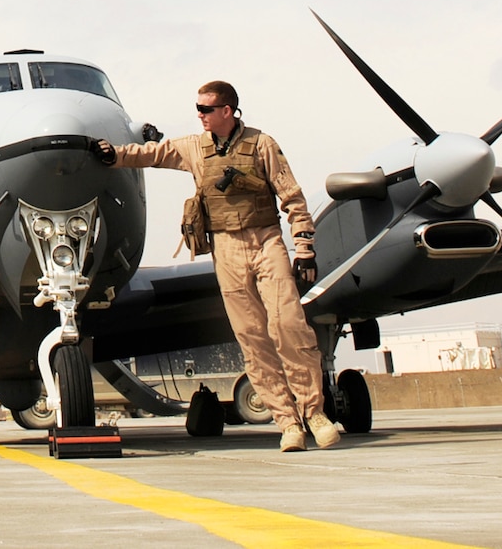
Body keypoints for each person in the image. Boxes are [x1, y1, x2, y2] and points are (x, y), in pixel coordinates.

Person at [94, 80, 343, 452]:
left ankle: (316, 415)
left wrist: (304, 246)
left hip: (267, 240)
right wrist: (113, 154)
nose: (200, 115)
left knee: (289, 325)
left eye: (206, 109)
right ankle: (287, 422)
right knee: (251, 336)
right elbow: (153, 153)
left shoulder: (262, 145)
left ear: (227, 110)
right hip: (225, 248)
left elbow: (291, 195)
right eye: (198, 108)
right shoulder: (195, 148)